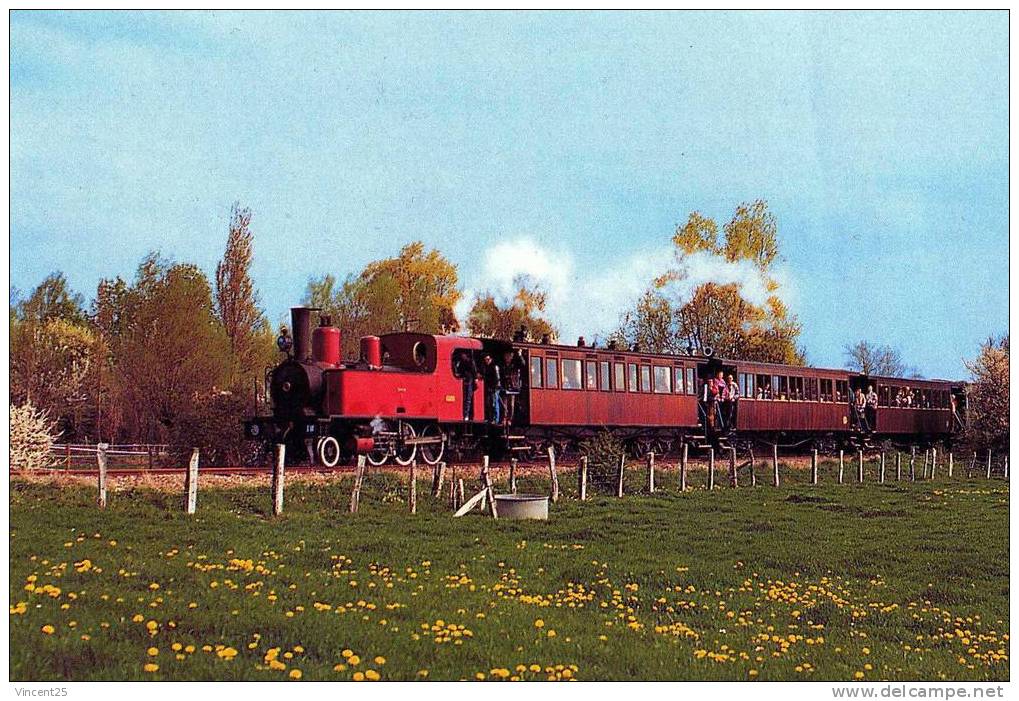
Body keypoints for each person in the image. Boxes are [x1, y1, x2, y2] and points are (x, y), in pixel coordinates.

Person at [453, 350, 478, 422]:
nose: (462, 356)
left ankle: (467, 415)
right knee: (465, 398)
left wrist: (475, 379)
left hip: (469, 380)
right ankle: (465, 414)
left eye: (463, 355)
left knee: (468, 398)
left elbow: (474, 371)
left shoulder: (470, 362)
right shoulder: (461, 362)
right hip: (464, 380)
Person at [502, 350, 524, 426]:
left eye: (509, 356)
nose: (507, 358)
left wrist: (520, 355)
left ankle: (510, 419)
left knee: (511, 404)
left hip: (513, 387)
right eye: (506, 356)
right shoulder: (503, 366)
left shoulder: (514, 365)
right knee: (504, 404)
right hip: (505, 386)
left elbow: (523, 364)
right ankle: (504, 418)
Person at [481, 353, 502, 424]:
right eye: (485, 360)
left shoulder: (494, 367)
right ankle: (490, 418)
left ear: (491, 359)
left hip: (494, 388)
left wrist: (495, 387)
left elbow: (497, 378)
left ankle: (496, 419)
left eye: (488, 359)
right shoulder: (486, 367)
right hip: (489, 388)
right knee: (489, 404)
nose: (487, 361)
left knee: (495, 403)